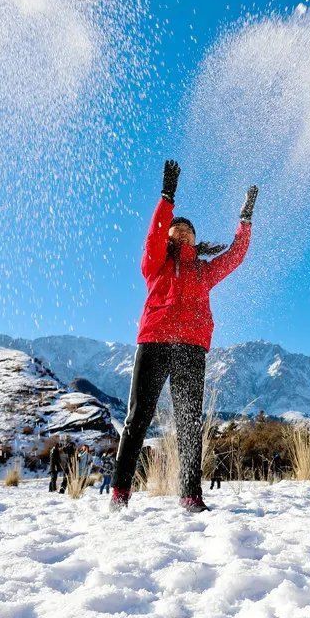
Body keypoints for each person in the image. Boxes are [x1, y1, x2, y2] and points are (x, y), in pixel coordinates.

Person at [111, 160, 258, 513]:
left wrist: (246, 220)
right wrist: (167, 198)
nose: (181, 232)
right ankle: (119, 493)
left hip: (191, 348)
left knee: (190, 422)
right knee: (137, 419)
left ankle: (190, 495)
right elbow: (153, 236)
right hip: (155, 341)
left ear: (194, 238)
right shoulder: (155, 264)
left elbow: (236, 256)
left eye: (187, 230)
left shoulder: (203, 271)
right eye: (175, 230)